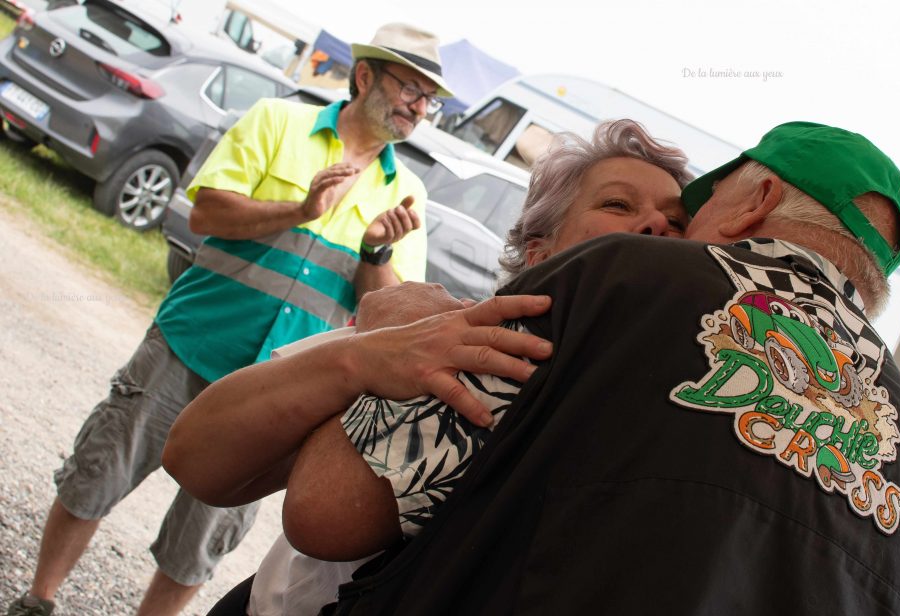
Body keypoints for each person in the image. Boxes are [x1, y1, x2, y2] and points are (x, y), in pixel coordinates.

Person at [182, 121, 900, 615]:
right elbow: (204, 457)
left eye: (693, 210)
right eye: (625, 210)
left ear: (756, 197)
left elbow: (325, 510)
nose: (670, 234)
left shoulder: (617, 285)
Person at [6, 22, 451, 616]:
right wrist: (301, 208)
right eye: (410, 89)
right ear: (365, 76)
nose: (419, 107)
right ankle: (39, 599)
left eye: (429, 98)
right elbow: (206, 213)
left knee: (199, 544)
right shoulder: (276, 122)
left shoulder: (408, 194)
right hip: (190, 343)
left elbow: (386, 318)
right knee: (97, 472)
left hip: (278, 395)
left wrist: (376, 251)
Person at [163, 119, 695, 615]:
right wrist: (362, 356)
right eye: (618, 205)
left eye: (676, 222)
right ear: (541, 255)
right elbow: (197, 459)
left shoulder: (671, 414)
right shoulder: (443, 334)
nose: (655, 225)